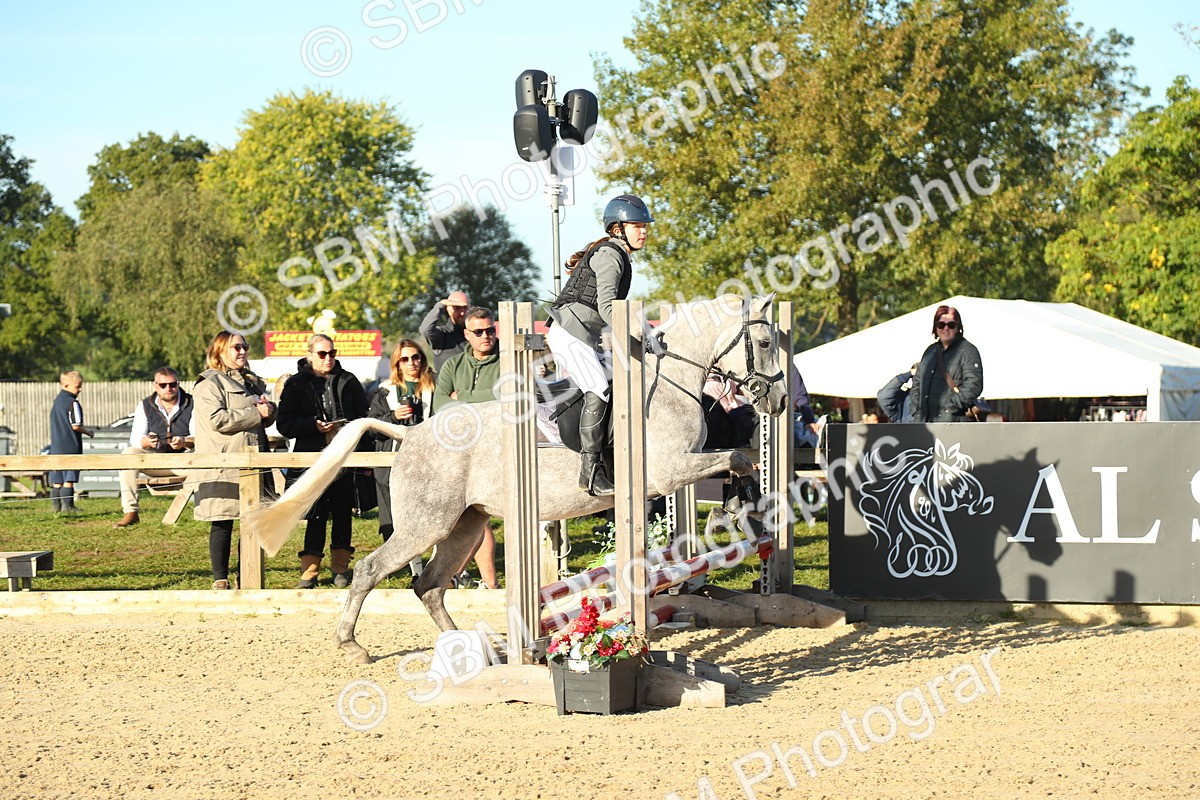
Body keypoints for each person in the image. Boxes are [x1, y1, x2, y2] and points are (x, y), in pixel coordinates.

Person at [546, 193, 653, 496]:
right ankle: (590, 471)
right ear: (618, 228)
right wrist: (639, 333)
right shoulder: (610, 255)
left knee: (615, 381)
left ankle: (607, 456)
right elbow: (609, 308)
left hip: (582, 334)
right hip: (570, 332)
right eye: (636, 226)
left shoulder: (617, 254)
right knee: (600, 387)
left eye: (644, 226)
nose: (643, 231)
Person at [277, 334, 370, 588]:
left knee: (343, 512)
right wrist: (312, 425)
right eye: (321, 354)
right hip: (313, 457)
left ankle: (340, 569)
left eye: (331, 353)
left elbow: (363, 417)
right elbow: (283, 424)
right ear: (309, 355)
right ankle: (309, 572)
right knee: (316, 513)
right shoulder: (296, 384)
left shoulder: (349, 381)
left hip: (344, 457)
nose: (328, 358)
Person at [193, 332, 277, 590]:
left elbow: (260, 419)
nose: (242, 351)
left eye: (245, 346)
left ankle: (247, 576)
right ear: (219, 352)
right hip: (225, 460)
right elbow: (217, 420)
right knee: (223, 520)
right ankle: (220, 578)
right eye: (236, 347)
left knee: (253, 521)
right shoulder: (209, 383)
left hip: (255, 459)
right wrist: (256, 412)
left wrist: (269, 411)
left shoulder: (252, 382)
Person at [432, 307, 502, 589]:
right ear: (467, 335)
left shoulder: (507, 362)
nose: (486, 336)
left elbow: (508, 398)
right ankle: (452, 577)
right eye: (479, 332)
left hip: (497, 449)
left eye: (490, 330)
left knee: (481, 516)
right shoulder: (452, 365)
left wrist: (464, 398)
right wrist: (487, 398)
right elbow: (439, 405)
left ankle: (488, 583)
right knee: (465, 519)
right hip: (459, 452)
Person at [368, 339, 435, 576]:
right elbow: (372, 426)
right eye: (404, 359)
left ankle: (437, 568)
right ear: (397, 363)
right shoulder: (385, 391)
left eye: (415, 357)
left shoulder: (435, 386)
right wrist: (394, 416)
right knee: (398, 516)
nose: (411, 363)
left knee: (432, 515)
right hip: (392, 460)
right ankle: (413, 569)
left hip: (429, 460)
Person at [113, 367, 195, 528]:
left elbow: (199, 436)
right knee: (128, 454)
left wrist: (184, 441)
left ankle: (206, 510)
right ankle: (131, 512)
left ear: (178, 384)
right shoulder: (145, 405)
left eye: (172, 384)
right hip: (156, 460)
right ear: (155, 386)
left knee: (203, 452)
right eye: (163, 385)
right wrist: (146, 442)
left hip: (185, 461)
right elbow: (135, 439)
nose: (168, 389)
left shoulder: (192, 403)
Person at [911, 305, 984, 423]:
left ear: (957, 327)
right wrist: (916, 409)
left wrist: (949, 407)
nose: (946, 328)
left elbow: (974, 384)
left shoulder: (968, 351)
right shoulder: (930, 351)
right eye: (941, 324)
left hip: (953, 422)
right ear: (935, 327)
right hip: (924, 422)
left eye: (951, 325)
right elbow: (917, 383)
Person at [49, 369, 94, 514]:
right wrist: (89, 432)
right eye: (78, 386)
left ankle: (56, 507)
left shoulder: (57, 402)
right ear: (67, 385)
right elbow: (76, 425)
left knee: (57, 480)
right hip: (70, 445)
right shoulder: (72, 403)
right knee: (69, 478)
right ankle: (68, 506)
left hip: (56, 446)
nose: (80, 389)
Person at [419, 290, 471, 370]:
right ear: (448, 310)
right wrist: (441, 304)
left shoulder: (476, 335)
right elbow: (425, 330)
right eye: (457, 308)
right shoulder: (442, 335)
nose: (462, 313)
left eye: (465, 308)